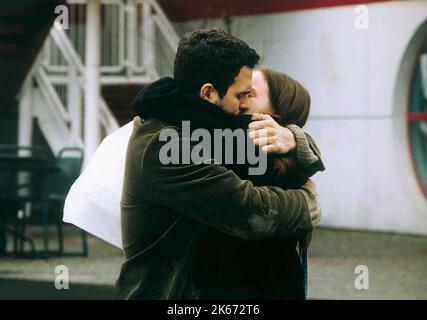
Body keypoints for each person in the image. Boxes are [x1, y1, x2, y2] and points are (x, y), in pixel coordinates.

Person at [114, 28, 323, 299]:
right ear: (209, 93)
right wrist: (307, 202)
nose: (244, 108)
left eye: (251, 96)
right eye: (240, 97)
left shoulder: (202, 126)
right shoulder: (166, 145)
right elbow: (246, 208)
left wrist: (293, 138)